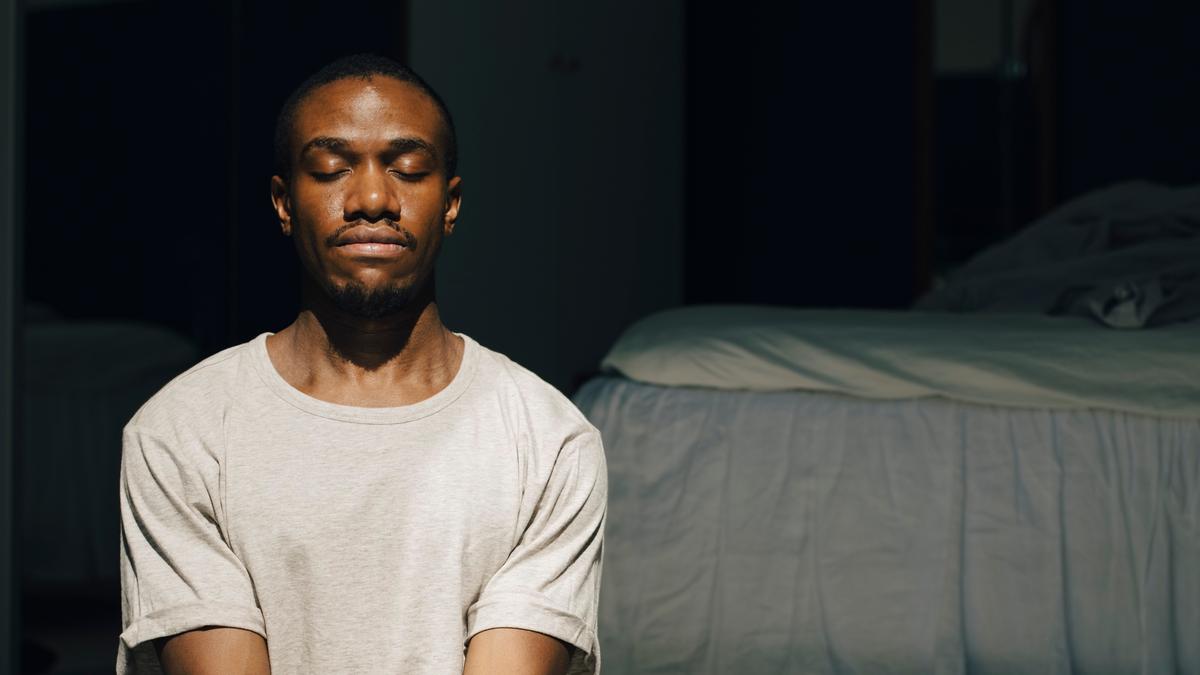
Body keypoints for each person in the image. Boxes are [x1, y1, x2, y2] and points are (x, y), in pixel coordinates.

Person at [116, 53, 607, 674]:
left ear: (450, 204)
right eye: (329, 169)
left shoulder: (549, 441)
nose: (372, 198)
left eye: (407, 169)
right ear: (283, 202)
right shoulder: (181, 432)